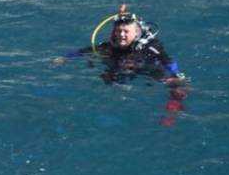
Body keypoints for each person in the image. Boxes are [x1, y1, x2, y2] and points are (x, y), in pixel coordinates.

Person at [57, 8, 188, 125]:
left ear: (136, 33)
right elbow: (84, 51)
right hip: (121, 70)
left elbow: (166, 59)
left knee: (177, 83)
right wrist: (65, 58)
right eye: (119, 31)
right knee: (107, 74)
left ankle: (174, 107)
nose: (121, 35)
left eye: (126, 31)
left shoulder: (149, 47)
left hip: (147, 69)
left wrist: (175, 73)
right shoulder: (109, 47)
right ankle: (119, 92)